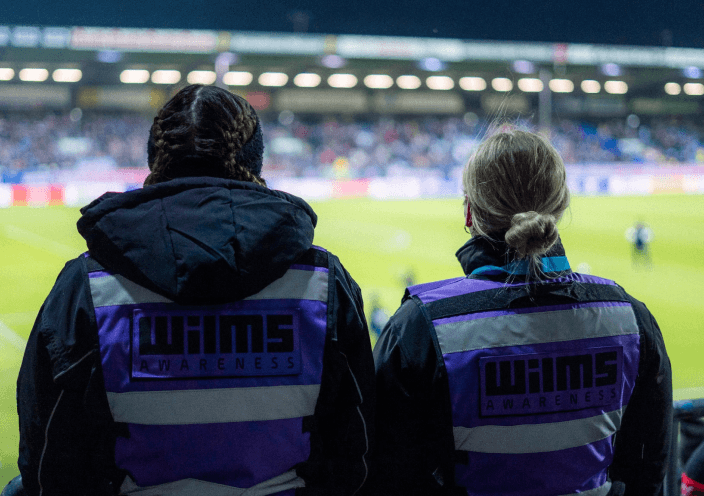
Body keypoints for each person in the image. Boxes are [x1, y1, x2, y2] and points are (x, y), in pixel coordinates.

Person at [11, 84, 374, 496]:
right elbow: (355, 449)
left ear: (155, 160)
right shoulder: (324, 283)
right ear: (255, 161)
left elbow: (50, 457)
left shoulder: (87, 287)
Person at [370, 129, 672, 496]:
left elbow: (387, 472)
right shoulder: (632, 320)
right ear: (560, 207)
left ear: (469, 212)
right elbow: (647, 470)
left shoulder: (421, 327)